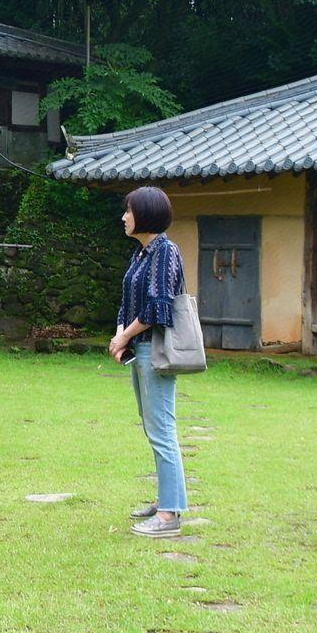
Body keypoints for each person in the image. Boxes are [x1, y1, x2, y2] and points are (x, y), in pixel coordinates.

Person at [106, 185, 189, 538]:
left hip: (154, 350)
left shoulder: (165, 252)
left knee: (162, 429)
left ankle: (170, 515)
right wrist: (120, 333)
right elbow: (129, 301)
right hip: (138, 348)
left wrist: (125, 336)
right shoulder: (141, 255)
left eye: (129, 210)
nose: (124, 217)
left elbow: (159, 307)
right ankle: (166, 501)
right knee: (152, 426)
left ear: (147, 215)